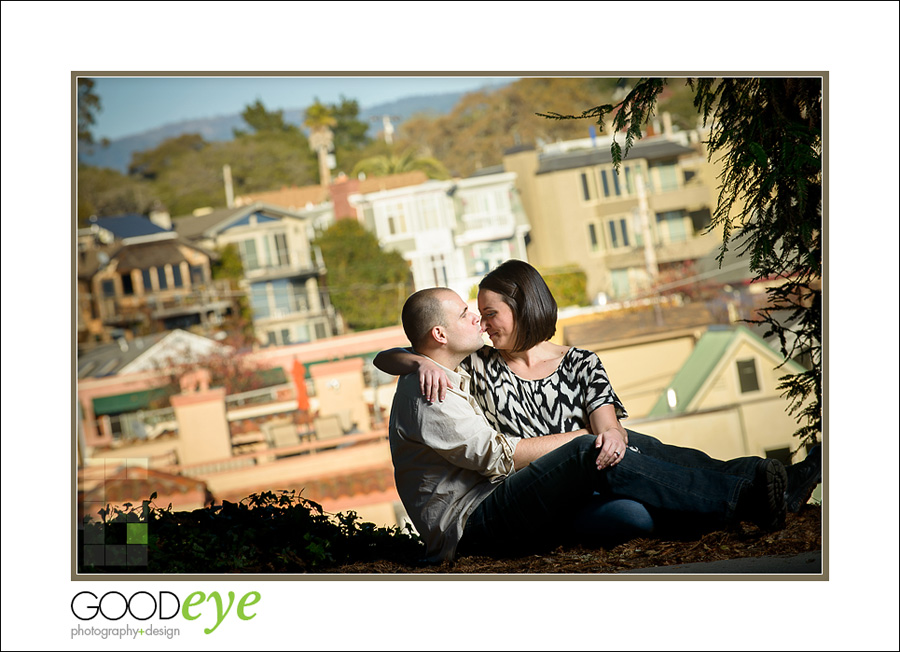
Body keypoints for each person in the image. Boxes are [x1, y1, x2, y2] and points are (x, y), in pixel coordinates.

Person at [379, 260, 822, 550]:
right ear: (441, 336)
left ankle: (758, 479)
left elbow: (607, 425)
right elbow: (495, 453)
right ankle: (749, 498)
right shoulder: (441, 382)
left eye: (486, 312)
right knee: (603, 468)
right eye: (467, 314)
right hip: (473, 521)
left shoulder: (454, 372)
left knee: (628, 450)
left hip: (524, 496)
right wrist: (415, 361)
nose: (477, 320)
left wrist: (417, 359)